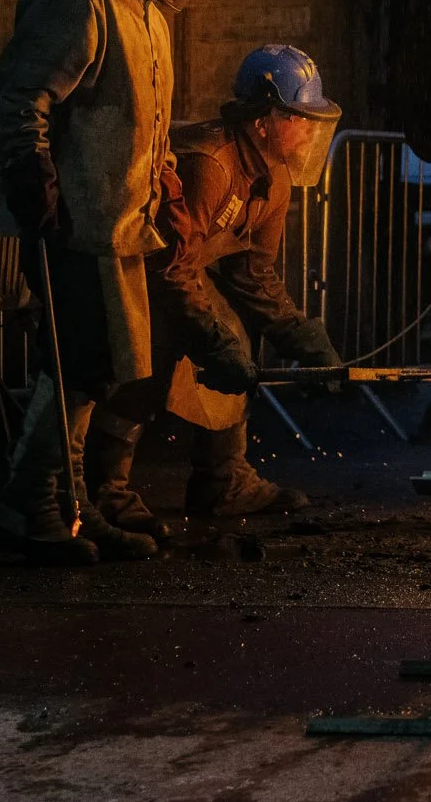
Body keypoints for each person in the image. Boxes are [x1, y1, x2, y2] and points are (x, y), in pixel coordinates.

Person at [0, 0, 235, 564]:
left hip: (118, 221)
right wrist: (32, 171)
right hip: (73, 218)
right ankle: (31, 508)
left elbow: (141, 122)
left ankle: (68, 505)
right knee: (76, 365)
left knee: (92, 367)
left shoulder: (144, 6)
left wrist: (167, 188)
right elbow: (17, 98)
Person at [86, 45, 345, 533]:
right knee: (149, 352)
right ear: (264, 119)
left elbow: (252, 272)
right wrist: (210, 339)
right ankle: (105, 488)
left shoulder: (274, 177)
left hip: (175, 271)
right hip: (130, 270)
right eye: (300, 117)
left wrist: (297, 334)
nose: (311, 129)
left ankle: (224, 479)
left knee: (239, 325)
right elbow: (167, 267)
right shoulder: (211, 166)